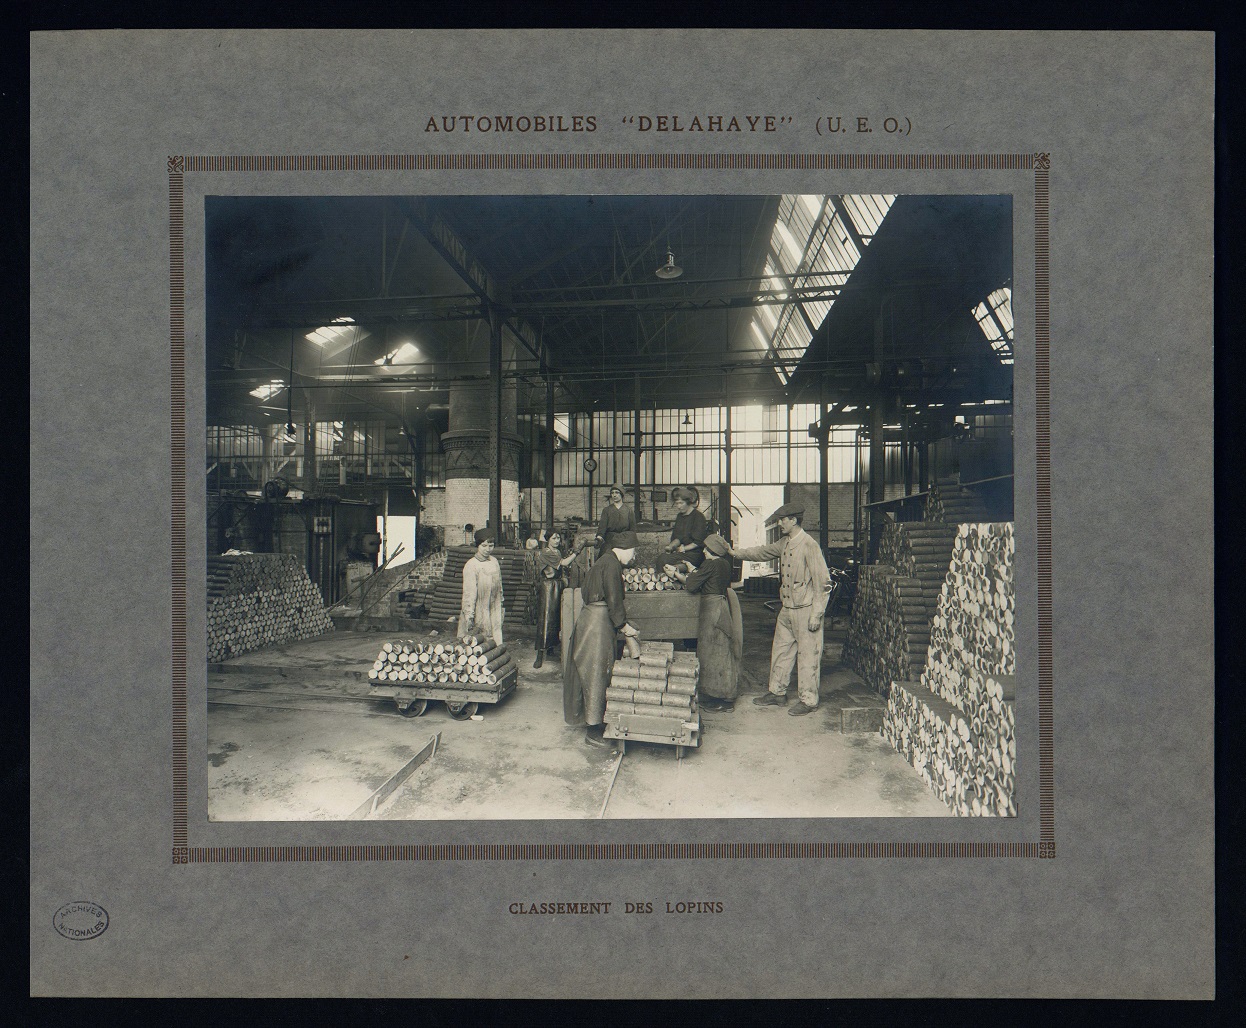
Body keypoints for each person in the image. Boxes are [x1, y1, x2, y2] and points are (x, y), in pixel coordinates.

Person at [728, 503, 831, 716]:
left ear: (794, 520)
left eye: (783, 519)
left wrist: (816, 614)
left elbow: (823, 583)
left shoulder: (809, 545)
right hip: (787, 609)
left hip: (806, 610)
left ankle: (808, 700)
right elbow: (762, 552)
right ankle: (777, 693)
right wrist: (735, 553)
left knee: (808, 656)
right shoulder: (784, 543)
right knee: (781, 652)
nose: (780, 523)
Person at [564, 529, 641, 748]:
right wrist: (624, 626)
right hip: (597, 623)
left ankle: (595, 722)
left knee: (594, 672)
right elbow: (614, 598)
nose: (633, 556)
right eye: (633, 551)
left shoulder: (604, 561)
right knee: (596, 673)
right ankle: (593, 731)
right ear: (624, 549)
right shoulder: (612, 564)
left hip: (592, 618)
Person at [670, 532, 742, 712]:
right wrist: (693, 568)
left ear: (711, 550)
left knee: (713, 653)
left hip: (712, 610)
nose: (703, 550)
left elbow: (693, 585)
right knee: (721, 651)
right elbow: (706, 577)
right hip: (722, 606)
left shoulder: (710, 564)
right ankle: (722, 695)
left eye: (706, 548)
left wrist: (676, 574)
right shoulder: (723, 564)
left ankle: (720, 699)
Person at [533, 530, 582, 668]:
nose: (557, 541)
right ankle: (539, 655)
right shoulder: (546, 552)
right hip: (548, 587)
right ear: (548, 540)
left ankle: (550, 650)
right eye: (554, 538)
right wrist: (577, 551)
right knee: (546, 618)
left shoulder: (557, 552)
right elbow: (565, 563)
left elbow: (561, 567)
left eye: (558, 538)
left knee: (555, 617)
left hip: (556, 584)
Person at [459, 527, 504, 645]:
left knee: (496, 639)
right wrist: (469, 615)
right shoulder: (471, 565)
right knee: (480, 641)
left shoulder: (494, 561)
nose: (487, 549)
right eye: (484, 546)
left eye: (491, 546)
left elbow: (499, 586)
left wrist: (501, 604)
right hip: (479, 609)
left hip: (494, 608)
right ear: (477, 546)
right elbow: (469, 593)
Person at [656, 486, 708, 574]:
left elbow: (698, 542)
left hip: (694, 554)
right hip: (682, 553)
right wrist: (671, 546)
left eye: (681, 503)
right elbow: (678, 537)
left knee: (664, 560)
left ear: (688, 502)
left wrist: (683, 549)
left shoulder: (698, 517)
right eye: (677, 503)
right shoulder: (680, 517)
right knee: (662, 558)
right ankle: (665, 583)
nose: (678, 506)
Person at [595, 485, 637, 554]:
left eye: (617, 492)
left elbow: (633, 530)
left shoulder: (629, 510)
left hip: (625, 541)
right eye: (612, 493)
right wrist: (599, 538)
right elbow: (602, 528)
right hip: (611, 541)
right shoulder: (607, 510)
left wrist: (632, 547)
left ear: (622, 494)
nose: (614, 495)